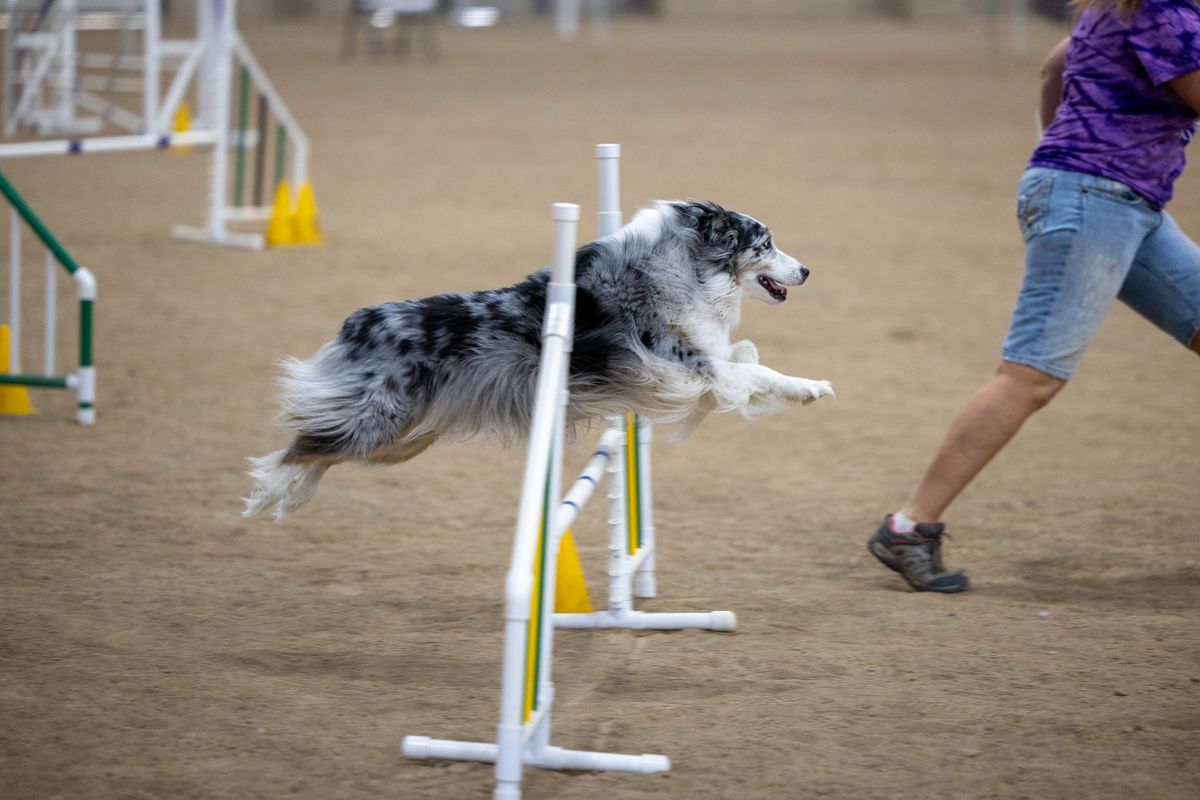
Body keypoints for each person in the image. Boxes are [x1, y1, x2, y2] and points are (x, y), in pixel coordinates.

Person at [867, 0, 1200, 593]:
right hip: (1097, 200)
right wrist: (1071, 170)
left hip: (1121, 202)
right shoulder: (1164, 11)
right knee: (1031, 377)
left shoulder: (1127, 4)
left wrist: (1055, 157)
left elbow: (1053, 68)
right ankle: (908, 526)